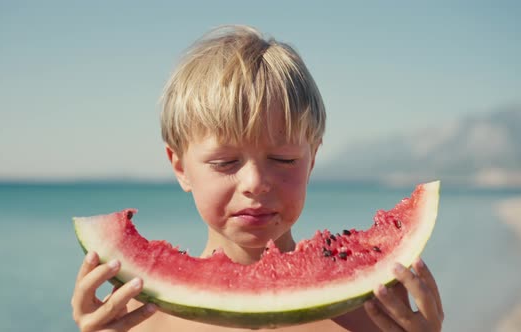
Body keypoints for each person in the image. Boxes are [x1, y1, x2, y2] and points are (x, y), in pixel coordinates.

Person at [71, 25, 444, 332]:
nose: (255, 182)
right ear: (180, 167)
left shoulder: (375, 314)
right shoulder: (135, 316)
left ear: (312, 160)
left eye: (283, 159)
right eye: (225, 161)